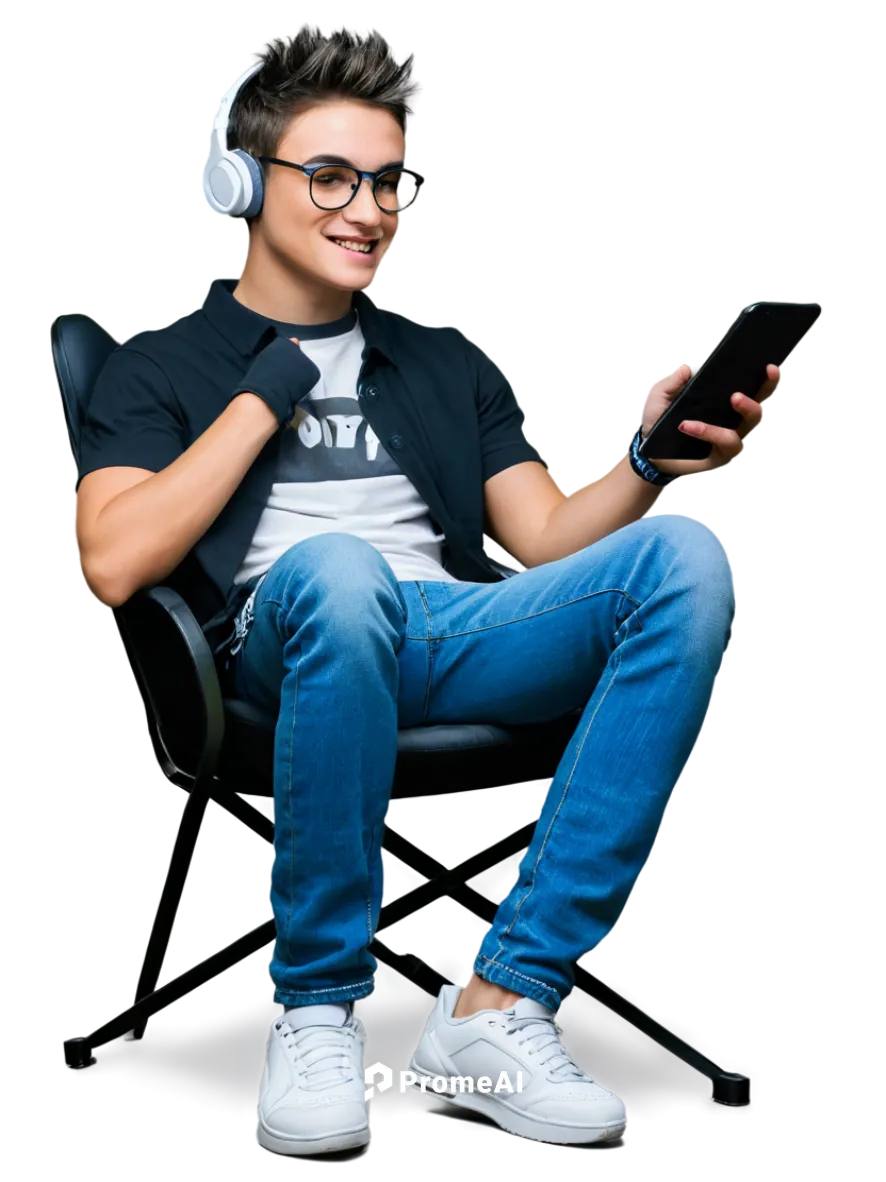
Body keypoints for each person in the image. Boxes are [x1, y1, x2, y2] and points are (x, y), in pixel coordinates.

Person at [72, 22, 783, 1158]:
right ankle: (314, 1014)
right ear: (240, 182)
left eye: (389, 183)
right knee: (340, 574)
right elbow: (115, 560)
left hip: (447, 626)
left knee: (682, 556)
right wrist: (273, 385)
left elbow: (542, 539)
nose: (370, 209)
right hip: (285, 636)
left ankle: (501, 1005)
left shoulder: (443, 356)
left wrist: (647, 462)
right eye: (333, 177)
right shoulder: (158, 367)